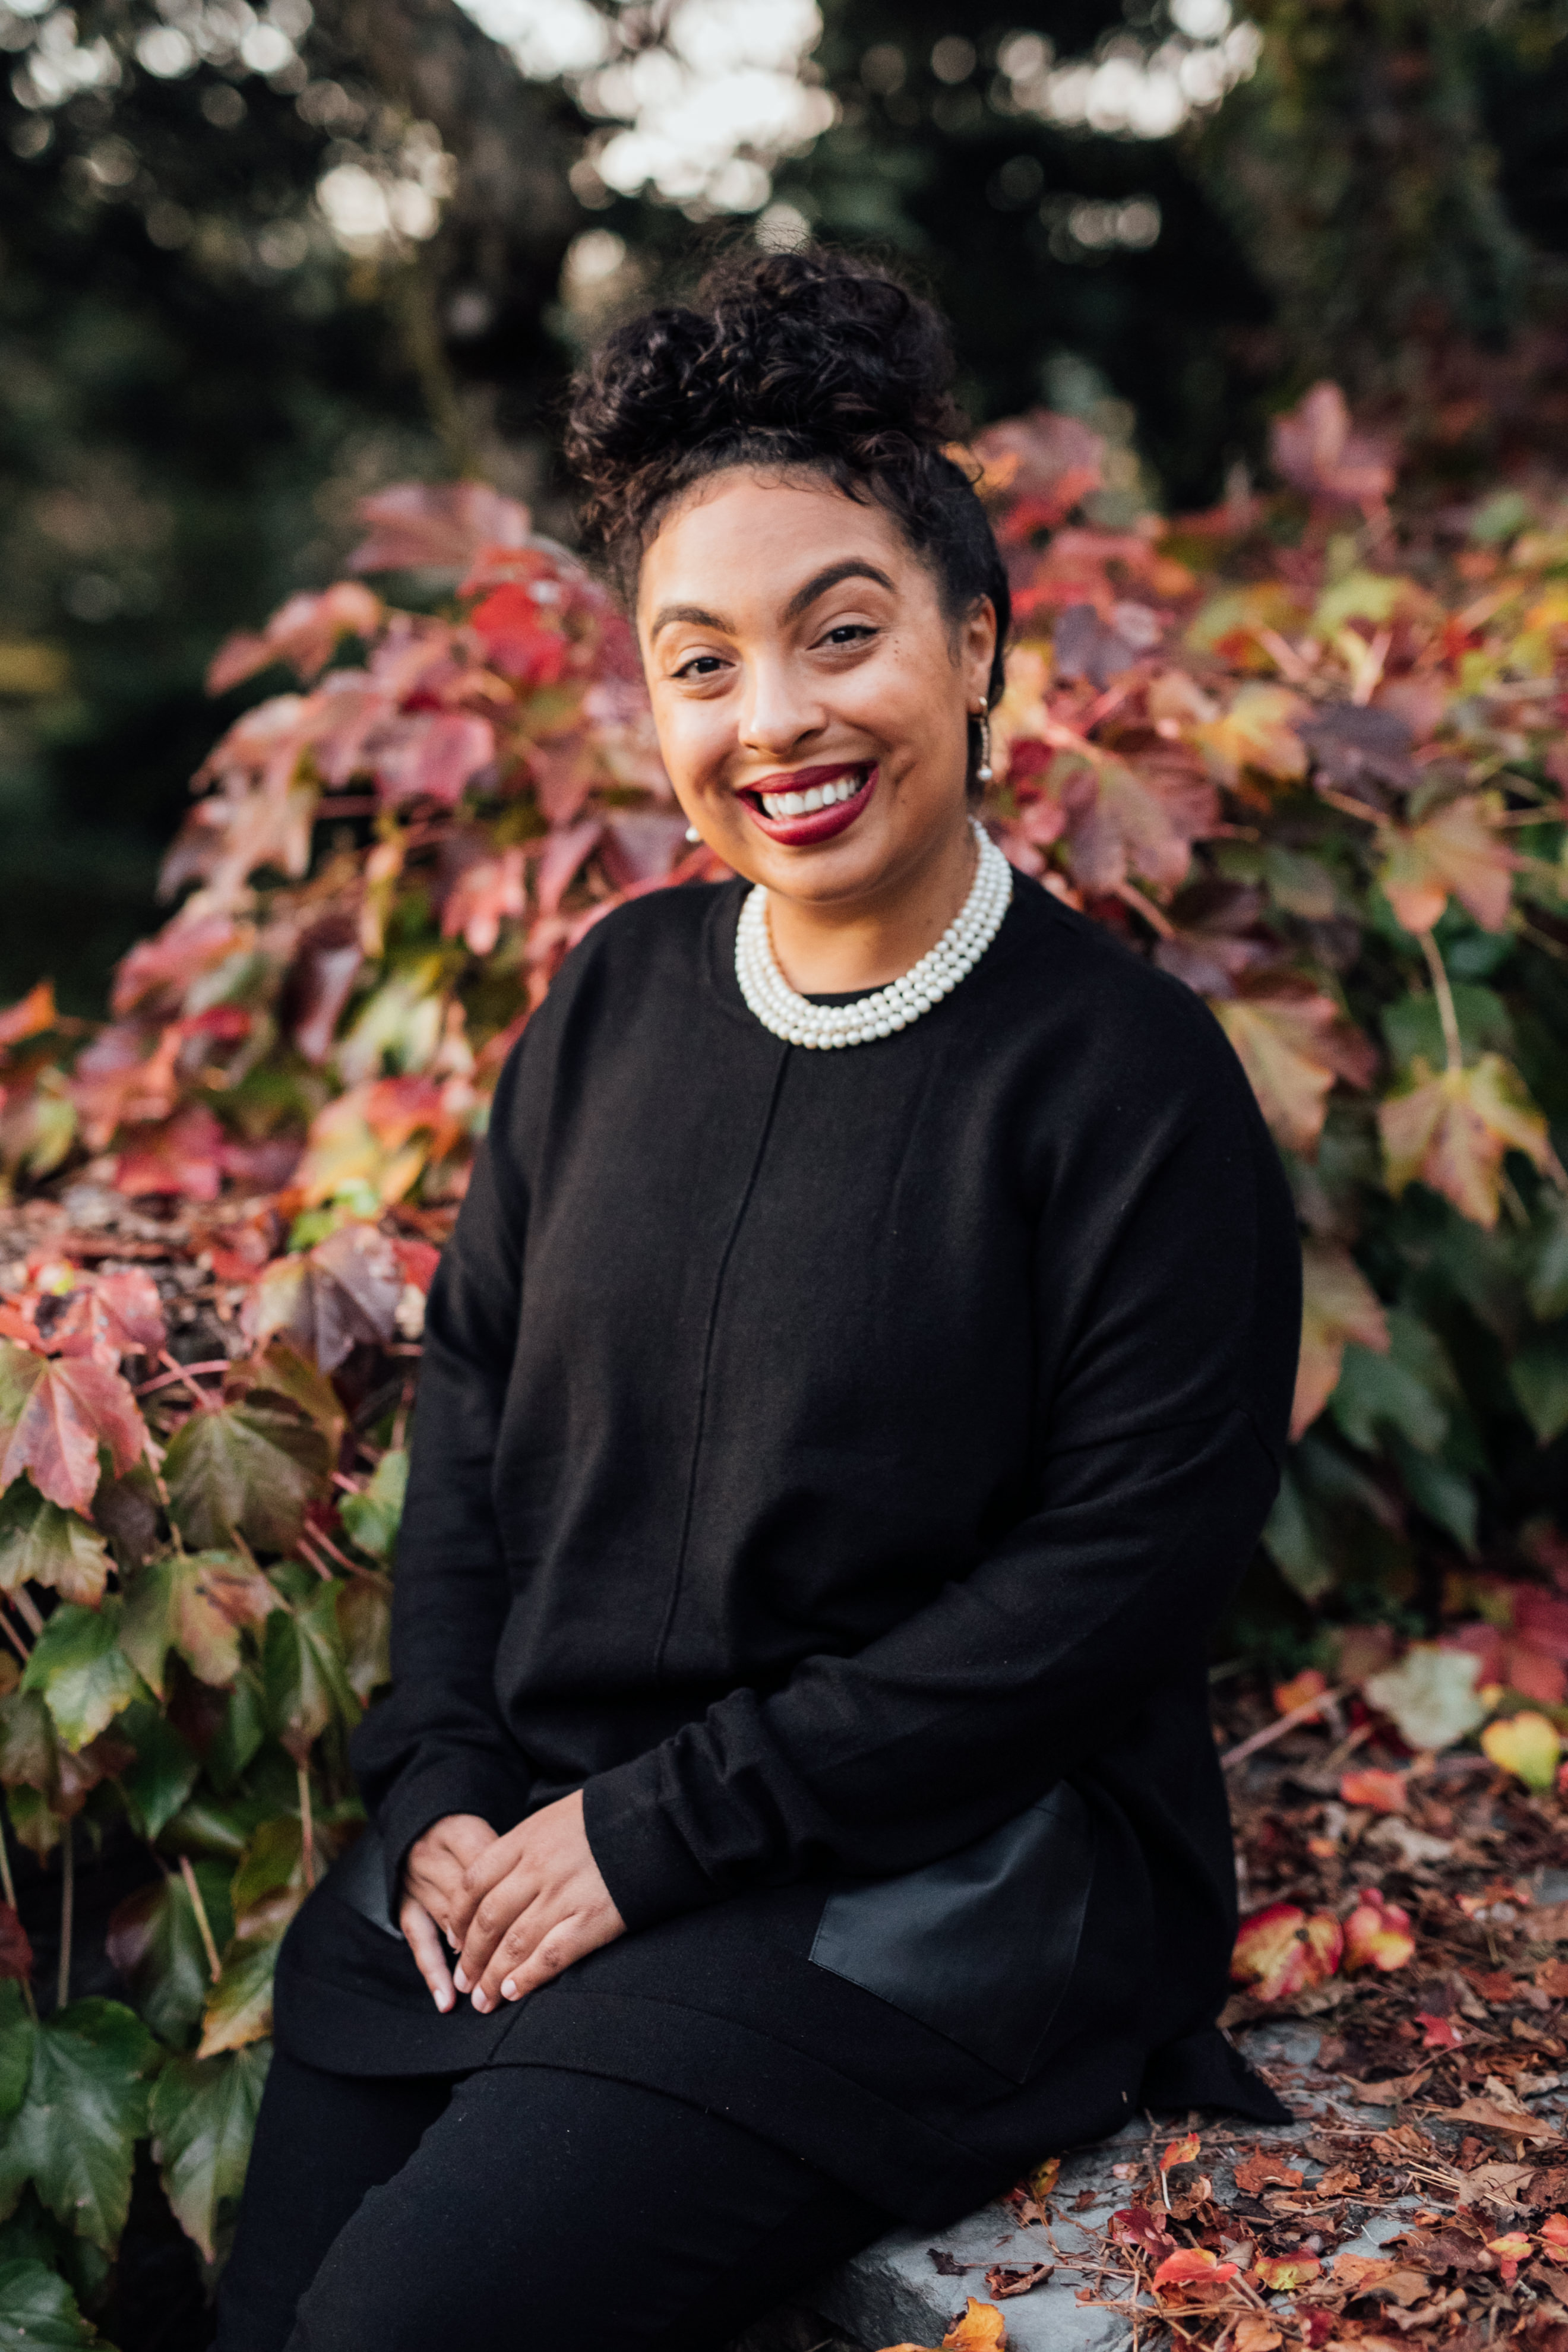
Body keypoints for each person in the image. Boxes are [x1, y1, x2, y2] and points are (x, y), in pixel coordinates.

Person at [216, 247, 1303, 2352]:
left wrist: (660, 1829)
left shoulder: (1127, 1083)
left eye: (842, 635)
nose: (776, 720)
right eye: (700, 664)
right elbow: (475, 1413)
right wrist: (442, 1780)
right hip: (552, 1830)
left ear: (977, 649)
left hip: (923, 1881)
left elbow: (1116, 1591)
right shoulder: (615, 997)